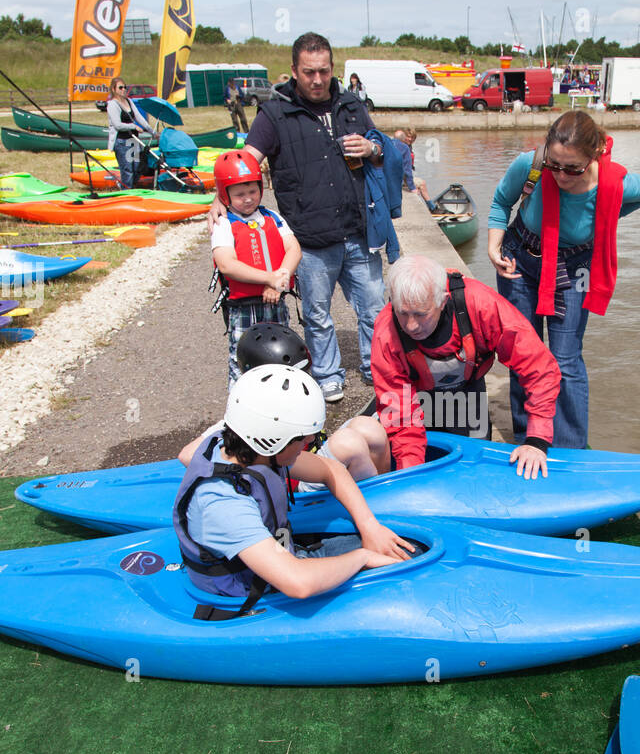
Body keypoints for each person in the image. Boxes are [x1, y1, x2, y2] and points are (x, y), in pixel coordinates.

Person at [206, 32, 386, 405]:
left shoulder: (352, 104)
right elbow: (247, 160)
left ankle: (376, 366)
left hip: (358, 229)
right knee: (318, 315)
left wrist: (371, 147)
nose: (317, 80)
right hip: (310, 237)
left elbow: (380, 147)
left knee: (374, 308)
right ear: (293, 71)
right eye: (308, 73)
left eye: (323, 71)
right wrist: (218, 198)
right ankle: (327, 374)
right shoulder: (274, 114)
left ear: (332, 68)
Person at [173, 364, 413, 617]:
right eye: (303, 439)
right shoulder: (223, 505)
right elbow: (298, 583)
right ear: (272, 440)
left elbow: (331, 470)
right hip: (257, 598)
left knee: (405, 546)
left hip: (282, 558)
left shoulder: (249, 450)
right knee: (401, 568)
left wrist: (369, 527)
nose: (310, 443)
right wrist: (362, 558)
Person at [486, 110, 640, 449]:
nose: (561, 175)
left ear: (594, 155)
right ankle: (528, 438)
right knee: (525, 351)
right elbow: (500, 202)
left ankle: (571, 447)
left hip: (575, 267)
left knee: (565, 358)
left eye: (572, 169)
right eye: (555, 165)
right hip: (520, 258)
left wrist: (611, 211)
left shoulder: (612, 184)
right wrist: (493, 246)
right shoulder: (531, 164)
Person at [371, 255, 560, 477]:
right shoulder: (386, 333)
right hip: (414, 397)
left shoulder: (481, 304)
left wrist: (536, 440)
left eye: (421, 314)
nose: (411, 326)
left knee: (474, 470)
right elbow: (400, 416)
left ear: (442, 301)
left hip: (467, 393)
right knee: (414, 464)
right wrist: (411, 477)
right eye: (402, 313)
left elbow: (539, 367)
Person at [183, 323, 392, 493]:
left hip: (312, 455)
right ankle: (375, 504)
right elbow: (187, 455)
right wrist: (262, 465)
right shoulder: (248, 413)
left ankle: (387, 490)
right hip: (295, 485)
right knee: (350, 444)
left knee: (369, 428)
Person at [209, 149, 302, 391]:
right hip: (244, 307)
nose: (248, 198)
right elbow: (226, 264)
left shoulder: (273, 217)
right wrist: (270, 278)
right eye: (239, 194)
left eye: (252, 191)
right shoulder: (224, 224)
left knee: (281, 354)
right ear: (224, 194)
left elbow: (294, 249)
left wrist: (278, 282)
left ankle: (282, 401)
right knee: (243, 357)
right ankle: (241, 406)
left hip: (276, 299)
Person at [106, 76, 153, 191]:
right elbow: (117, 125)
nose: (123, 90)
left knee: (137, 167)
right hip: (122, 141)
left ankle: (130, 188)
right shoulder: (112, 105)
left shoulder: (129, 101)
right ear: (114, 89)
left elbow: (139, 117)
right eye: (120, 87)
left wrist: (152, 131)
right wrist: (134, 126)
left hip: (133, 140)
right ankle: (127, 192)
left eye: (125, 87)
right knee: (127, 169)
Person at [392, 128, 431, 205]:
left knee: (420, 183)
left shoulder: (405, 146)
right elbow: (406, 169)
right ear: (403, 137)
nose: (410, 139)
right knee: (422, 183)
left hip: (400, 178)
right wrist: (412, 187)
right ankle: (432, 207)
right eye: (408, 137)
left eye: (412, 137)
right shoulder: (404, 148)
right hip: (402, 179)